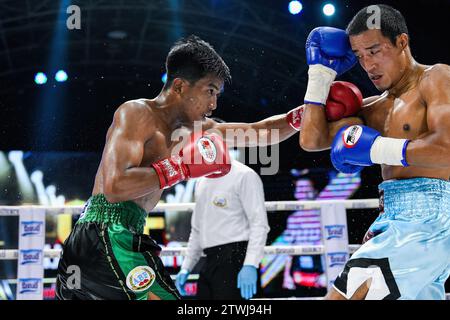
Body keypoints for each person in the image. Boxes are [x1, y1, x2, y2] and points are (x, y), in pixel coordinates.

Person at [56, 35, 302, 300]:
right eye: (210, 91)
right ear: (180, 86)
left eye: (217, 94)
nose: (213, 104)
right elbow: (115, 188)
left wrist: (301, 117)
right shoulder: (137, 113)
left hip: (118, 237)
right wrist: (181, 168)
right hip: (105, 234)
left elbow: (259, 132)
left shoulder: (196, 129)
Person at [299, 4, 450, 300]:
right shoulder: (373, 108)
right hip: (391, 220)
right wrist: (320, 74)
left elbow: (447, 149)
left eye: (374, 50)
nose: (368, 65)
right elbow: (311, 139)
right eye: (359, 56)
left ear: (402, 42)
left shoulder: (436, 78)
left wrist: (379, 148)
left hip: (429, 223)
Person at [175, 157, 269, 300]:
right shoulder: (201, 180)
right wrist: (186, 267)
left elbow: (259, 224)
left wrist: (250, 263)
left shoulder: (244, 175)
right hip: (210, 259)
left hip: (236, 258)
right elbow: (197, 230)